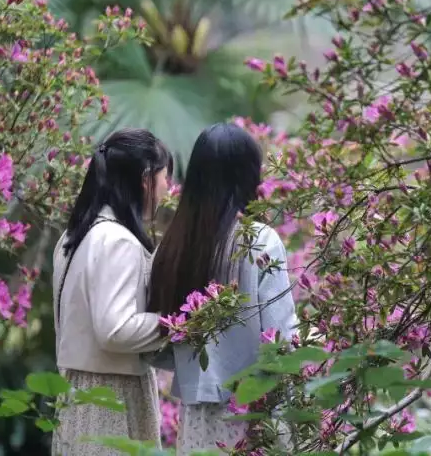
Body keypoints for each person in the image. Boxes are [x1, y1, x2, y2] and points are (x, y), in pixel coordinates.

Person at [148, 123, 298, 454]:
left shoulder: (173, 245)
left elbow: (162, 334)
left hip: (197, 415)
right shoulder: (259, 240)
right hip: (254, 411)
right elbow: (280, 336)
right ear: (247, 175)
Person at [52, 128, 173, 455]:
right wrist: (177, 323)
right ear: (146, 180)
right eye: (165, 178)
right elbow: (114, 330)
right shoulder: (117, 241)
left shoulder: (72, 236)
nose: (167, 188)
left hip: (77, 391)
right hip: (113, 396)